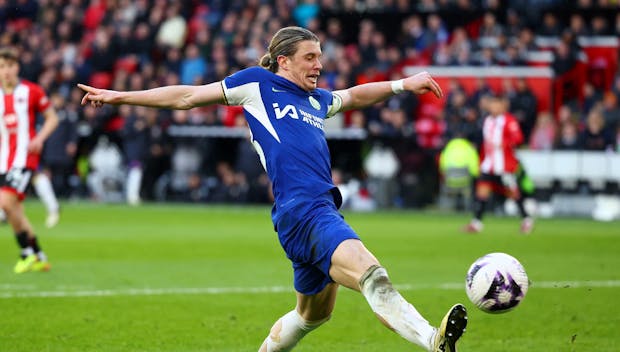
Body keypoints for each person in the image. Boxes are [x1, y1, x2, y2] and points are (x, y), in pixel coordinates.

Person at [78, 27, 467, 352]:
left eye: (320, 56)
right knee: (371, 275)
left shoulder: (316, 100)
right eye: (310, 57)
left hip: (309, 214)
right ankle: (432, 339)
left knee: (311, 316)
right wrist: (120, 96)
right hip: (305, 212)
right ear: (284, 60)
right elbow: (188, 97)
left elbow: (355, 95)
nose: (319, 64)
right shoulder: (257, 84)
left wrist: (402, 84)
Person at [0, 47, 59, 273]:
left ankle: (25, 252)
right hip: (4, 159)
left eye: (10, 66)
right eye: (2, 66)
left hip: (25, 157)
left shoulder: (31, 91)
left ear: (18, 67)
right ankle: (39, 255)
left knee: (5, 203)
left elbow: (52, 118)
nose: (6, 71)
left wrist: (40, 138)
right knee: (15, 210)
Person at [463, 93, 533, 234]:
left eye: (497, 104)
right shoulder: (487, 120)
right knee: (481, 192)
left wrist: (506, 143)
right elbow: (485, 144)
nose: (493, 107)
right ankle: (477, 223)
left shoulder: (509, 121)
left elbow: (518, 139)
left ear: (503, 106)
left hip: (504, 166)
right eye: (492, 104)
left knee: (513, 193)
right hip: (489, 165)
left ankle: (527, 220)